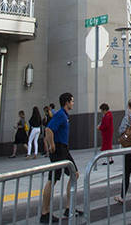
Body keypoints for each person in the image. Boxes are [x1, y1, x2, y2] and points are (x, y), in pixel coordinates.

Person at [41, 92, 82, 223]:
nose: (73, 103)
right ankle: (45, 212)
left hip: (64, 149)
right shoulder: (60, 115)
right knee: (52, 179)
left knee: (74, 174)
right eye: (72, 101)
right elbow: (48, 130)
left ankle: (69, 207)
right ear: (67, 102)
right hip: (59, 149)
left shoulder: (64, 115)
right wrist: (51, 144)